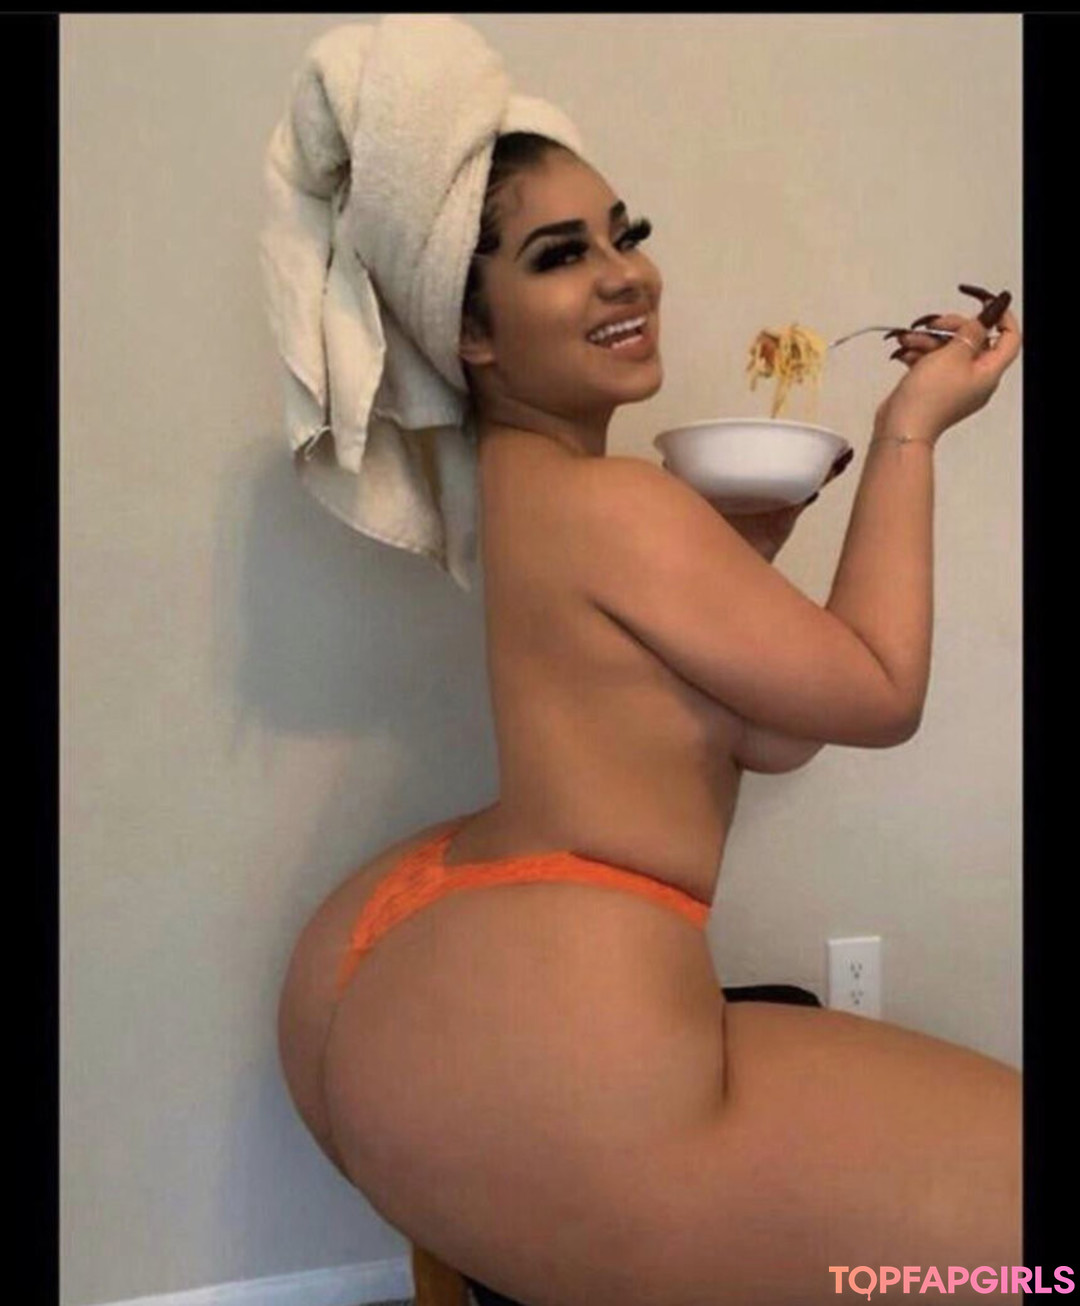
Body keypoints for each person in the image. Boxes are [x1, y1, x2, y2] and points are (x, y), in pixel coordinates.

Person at [276, 128, 1022, 1305]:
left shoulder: (528, 492)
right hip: (564, 1037)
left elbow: (771, 731)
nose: (624, 274)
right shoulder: (617, 501)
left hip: (402, 956)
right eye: (561, 255)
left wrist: (743, 558)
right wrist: (910, 430)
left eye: (626, 236)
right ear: (472, 333)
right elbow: (882, 693)